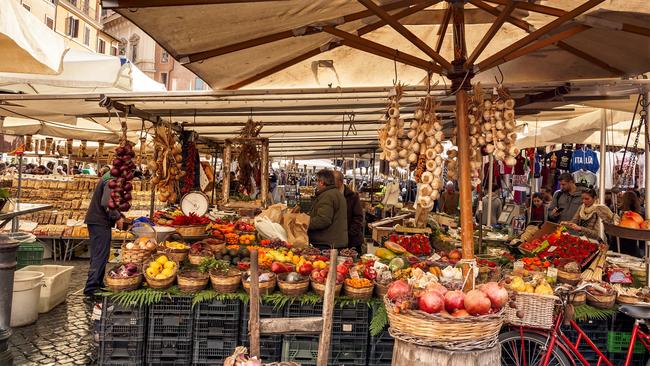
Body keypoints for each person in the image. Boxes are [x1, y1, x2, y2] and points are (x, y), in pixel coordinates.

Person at [83, 169, 128, 299]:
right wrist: (117, 217)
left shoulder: (112, 178)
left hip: (100, 222)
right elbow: (107, 203)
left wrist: (119, 215)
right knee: (99, 255)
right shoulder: (111, 180)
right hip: (99, 222)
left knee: (101, 254)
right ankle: (91, 288)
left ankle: (97, 283)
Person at [308, 169, 348, 249]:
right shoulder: (336, 193)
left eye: (317, 181)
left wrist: (305, 223)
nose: (316, 184)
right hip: (333, 241)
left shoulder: (327, 196)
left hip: (326, 243)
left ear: (322, 182)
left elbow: (323, 220)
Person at [334, 171, 363, 252]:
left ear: (340, 181)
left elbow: (358, 217)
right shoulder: (331, 195)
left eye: (333, 180)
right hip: (336, 240)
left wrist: (349, 233)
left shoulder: (353, 196)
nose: (331, 183)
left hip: (352, 241)